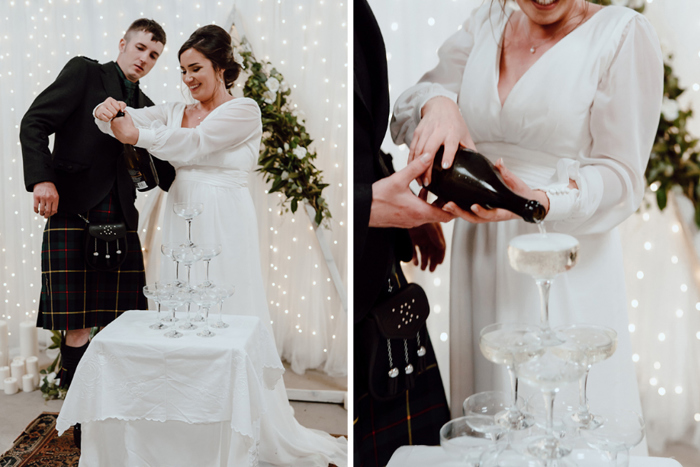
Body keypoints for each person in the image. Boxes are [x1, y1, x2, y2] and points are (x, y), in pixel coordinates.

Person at [391, 0, 663, 455]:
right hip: (480, 248)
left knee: (559, 419)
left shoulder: (623, 34)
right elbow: (407, 108)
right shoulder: (487, 20)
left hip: (558, 251)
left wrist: (544, 202)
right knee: (490, 418)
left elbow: (623, 178)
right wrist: (437, 104)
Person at [94, 24, 347, 467]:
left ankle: (236, 428)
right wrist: (108, 110)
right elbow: (129, 122)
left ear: (221, 68)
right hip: (179, 219)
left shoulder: (244, 110)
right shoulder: (175, 108)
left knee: (225, 317)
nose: (188, 78)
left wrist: (138, 134)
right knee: (178, 316)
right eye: (182, 70)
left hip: (224, 223)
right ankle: (182, 428)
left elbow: (195, 145)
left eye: (196, 69)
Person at [19, 18, 175, 390]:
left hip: (120, 216)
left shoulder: (147, 107)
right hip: (72, 209)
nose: (145, 58)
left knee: (120, 323)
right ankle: (79, 416)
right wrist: (43, 179)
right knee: (76, 325)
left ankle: (111, 405)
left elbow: (165, 170)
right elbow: (34, 122)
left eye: (154, 55)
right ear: (123, 43)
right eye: (140, 48)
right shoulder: (84, 73)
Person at [354, 0, 455, 465]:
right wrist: (371, 205)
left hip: (380, 262)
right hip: (355, 255)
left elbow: (364, 140)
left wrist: (411, 214)